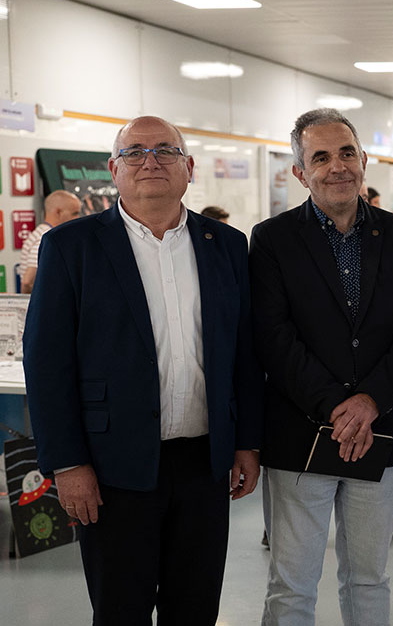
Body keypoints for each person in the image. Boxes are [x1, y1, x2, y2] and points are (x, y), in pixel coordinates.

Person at [24, 115, 263, 624]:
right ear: (114, 170)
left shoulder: (225, 244)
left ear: (189, 167)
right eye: (134, 152)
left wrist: (246, 442)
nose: (150, 161)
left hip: (204, 465)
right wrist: (67, 464)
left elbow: (243, 351)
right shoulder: (71, 246)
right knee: (121, 610)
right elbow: (47, 363)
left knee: (195, 608)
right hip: (113, 466)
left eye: (165, 150)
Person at [251, 108, 393, 625]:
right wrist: (338, 406)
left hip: (381, 430)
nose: (337, 166)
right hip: (301, 434)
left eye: (347, 153)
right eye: (321, 157)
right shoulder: (272, 240)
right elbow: (274, 336)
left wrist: (370, 402)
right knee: (291, 584)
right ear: (299, 172)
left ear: (364, 160)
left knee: (369, 577)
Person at [19, 190, 81, 293]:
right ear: (58, 212)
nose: (78, 218)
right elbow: (27, 282)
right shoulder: (47, 238)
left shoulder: (42, 232)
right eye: (75, 213)